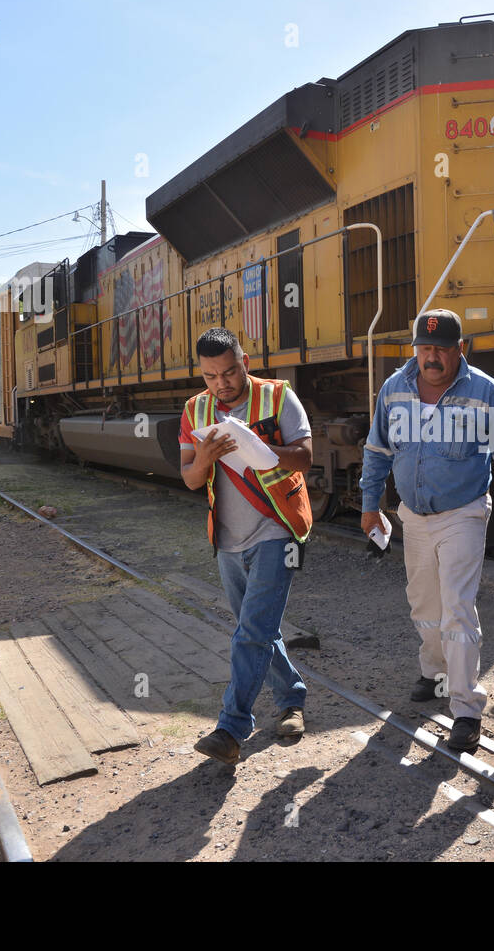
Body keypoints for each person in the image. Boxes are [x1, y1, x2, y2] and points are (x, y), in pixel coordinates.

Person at [359, 309, 494, 753]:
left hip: (464, 513)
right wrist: (369, 507)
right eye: (425, 348)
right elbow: (377, 451)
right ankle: (435, 672)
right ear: (415, 349)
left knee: (457, 607)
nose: (432, 358)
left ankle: (465, 709)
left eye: (442, 349)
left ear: (461, 349)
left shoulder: (486, 392)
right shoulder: (393, 390)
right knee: (424, 605)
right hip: (413, 517)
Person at [179, 327, 314, 767]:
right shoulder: (194, 410)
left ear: (246, 362)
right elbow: (190, 478)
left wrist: (263, 450)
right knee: (257, 630)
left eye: (230, 372)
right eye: (211, 375)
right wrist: (206, 456)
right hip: (227, 542)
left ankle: (231, 728)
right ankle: (292, 699)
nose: (222, 383)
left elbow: (307, 456)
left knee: (251, 633)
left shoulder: (278, 397)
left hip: (277, 530)